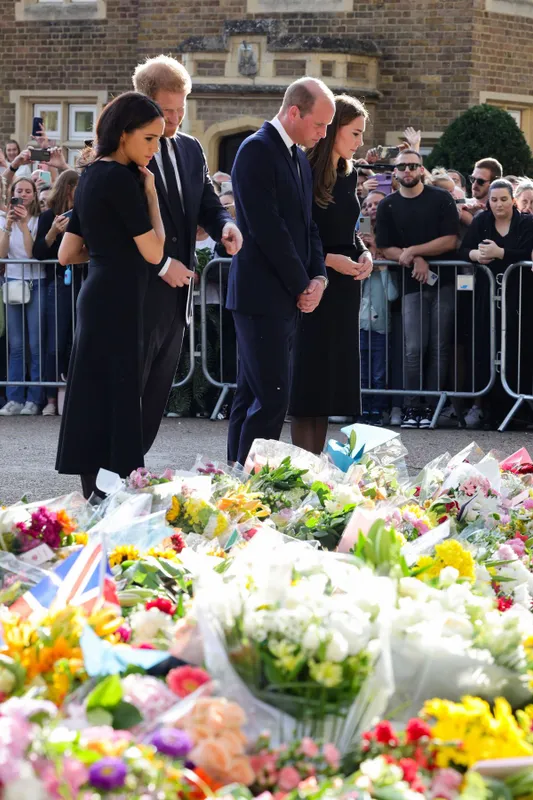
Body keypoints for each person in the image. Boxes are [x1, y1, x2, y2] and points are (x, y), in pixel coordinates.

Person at [55, 91, 166, 499]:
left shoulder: (90, 175)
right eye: (149, 138)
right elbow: (155, 250)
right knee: (116, 393)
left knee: (95, 392)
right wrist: (151, 196)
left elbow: (68, 253)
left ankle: (96, 494)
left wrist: (108, 253)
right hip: (118, 297)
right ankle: (109, 495)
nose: (154, 149)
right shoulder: (121, 179)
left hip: (100, 291)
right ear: (123, 134)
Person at [132, 54, 241, 455]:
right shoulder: (127, 153)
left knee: (157, 392)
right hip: (138, 288)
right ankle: (114, 474)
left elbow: (207, 201)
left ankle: (134, 469)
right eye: (167, 111)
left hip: (179, 293)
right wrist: (161, 264)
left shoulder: (192, 148)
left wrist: (225, 226)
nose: (175, 119)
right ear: (145, 103)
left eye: (181, 109)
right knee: (129, 389)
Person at [227, 77, 335, 465]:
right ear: (293, 112)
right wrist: (302, 283)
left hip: (284, 294)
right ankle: (252, 482)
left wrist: (319, 277)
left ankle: (239, 478)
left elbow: (308, 226)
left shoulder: (298, 159)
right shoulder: (257, 150)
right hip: (261, 294)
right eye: (319, 124)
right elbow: (266, 228)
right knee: (269, 399)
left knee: (256, 396)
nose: (323, 134)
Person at [288, 95, 372, 453]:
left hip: (344, 289)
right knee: (308, 380)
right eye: (355, 133)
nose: (360, 142)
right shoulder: (305, 169)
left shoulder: (348, 173)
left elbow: (347, 229)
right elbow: (296, 232)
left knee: (327, 385)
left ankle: (316, 460)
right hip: (314, 282)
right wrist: (329, 261)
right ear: (334, 129)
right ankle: (303, 463)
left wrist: (364, 252)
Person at [375, 149, 459, 429]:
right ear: (395, 172)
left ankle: (431, 406)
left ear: (422, 169)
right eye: (402, 167)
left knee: (439, 347)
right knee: (413, 348)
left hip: (444, 282)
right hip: (410, 284)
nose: (408, 171)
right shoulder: (388, 205)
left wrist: (413, 251)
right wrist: (416, 258)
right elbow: (385, 247)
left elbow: (450, 240)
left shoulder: (441, 198)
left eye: (413, 166)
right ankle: (412, 407)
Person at [459, 178, 533, 428]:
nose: (499, 204)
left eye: (503, 199)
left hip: (520, 296)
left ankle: (519, 409)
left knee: (518, 347)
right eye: (494, 200)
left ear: (513, 200)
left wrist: (500, 253)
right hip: (487, 295)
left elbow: (527, 252)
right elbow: (463, 250)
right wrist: (476, 255)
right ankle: (487, 408)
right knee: (486, 346)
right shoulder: (481, 221)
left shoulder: (527, 223)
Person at [33, 169, 80, 416]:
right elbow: (39, 252)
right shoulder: (48, 215)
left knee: (80, 339)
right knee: (56, 342)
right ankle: (51, 399)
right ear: (69, 188)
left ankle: (76, 395)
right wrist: (53, 231)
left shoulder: (85, 213)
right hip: (59, 283)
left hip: (84, 281)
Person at [0, 177, 44, 416]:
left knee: (35, 345)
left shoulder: (38, 219)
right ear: (12, 193)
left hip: (36, 282)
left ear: (34, 195)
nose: (24, 195)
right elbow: (1, 254)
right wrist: (8, 226)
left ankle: (34, 399)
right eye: (20, 191)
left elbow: (30, 253)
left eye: (28, 191)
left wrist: (25, 224)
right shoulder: (2, 219)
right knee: (16, 345)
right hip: (12, 283)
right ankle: (14, 398)